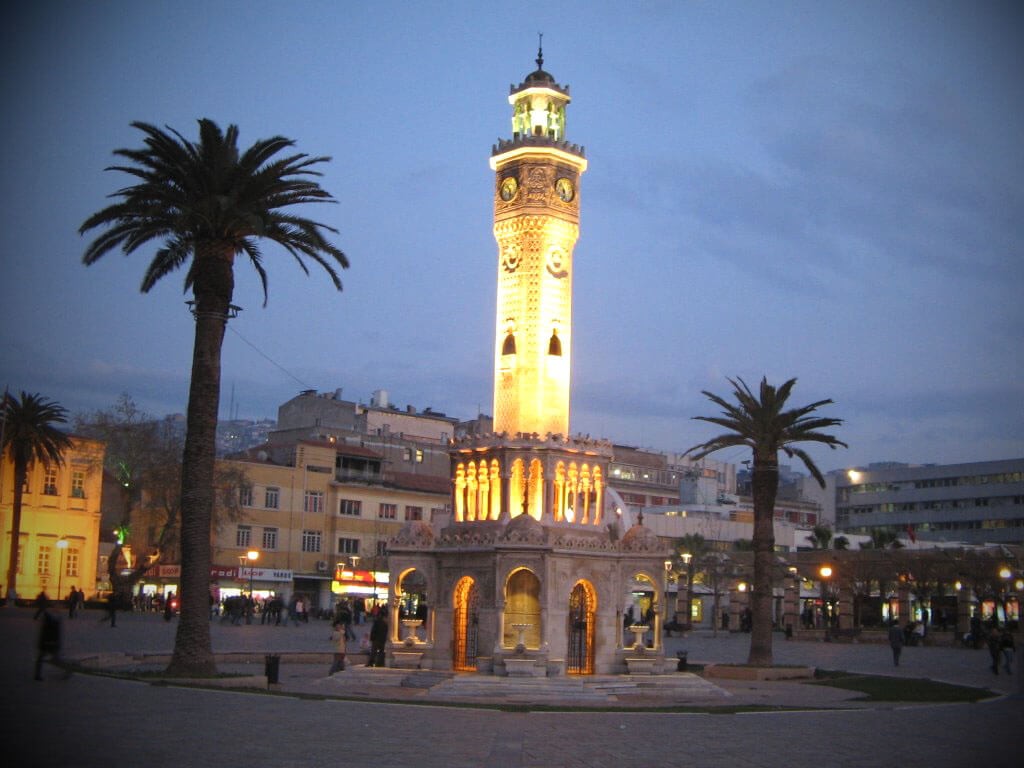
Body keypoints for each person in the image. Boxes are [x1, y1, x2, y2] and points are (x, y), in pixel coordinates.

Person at [35, 609, 70, 681]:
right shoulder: (54, 623)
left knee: (43, 658)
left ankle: (37, 674)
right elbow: (54, 633)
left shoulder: (49, 624)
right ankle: (66, 671)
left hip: (47, 642)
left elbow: (47, 633)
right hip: (50, 642)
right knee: (54, 658)